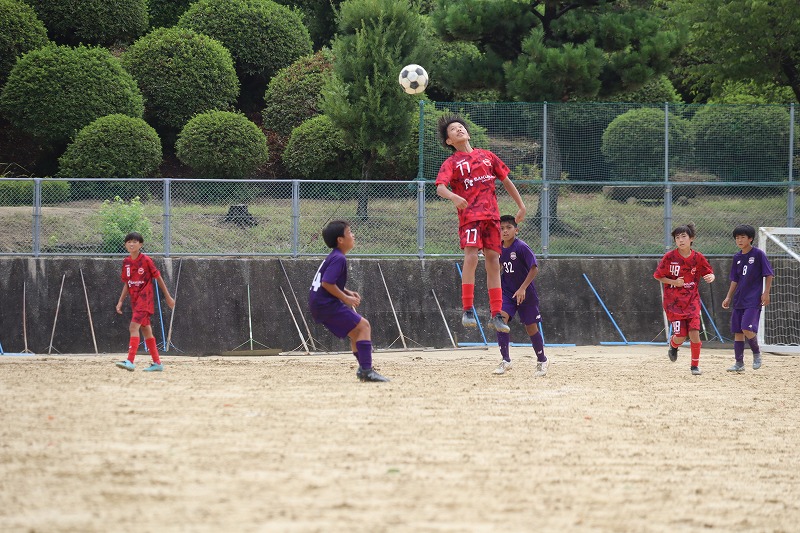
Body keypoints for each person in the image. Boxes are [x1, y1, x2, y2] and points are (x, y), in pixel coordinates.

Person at [435, 113, 526, 333]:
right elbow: (440, 187)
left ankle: (496, 314)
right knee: (472, 256)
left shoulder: (487, 156)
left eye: (461, 126)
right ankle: (467, 309)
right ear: (449, 141)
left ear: (468, 132)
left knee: (494, 261)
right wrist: (453, 196)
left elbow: (506, 181)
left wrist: (521, 205)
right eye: (453, 129)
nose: (459, 129)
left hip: (492, 218)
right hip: (470, 217)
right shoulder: (452, 162)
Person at [308, 220, 389, 382]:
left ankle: (364, 368)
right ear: (340, 240)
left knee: (356, 332)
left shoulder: (335, 256)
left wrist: (346, 291)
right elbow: (326, 283)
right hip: (325, 303)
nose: (353, 235)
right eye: (349, 232)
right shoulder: (339, 258)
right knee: (364, 326)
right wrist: (346, 298)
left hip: (318, 302)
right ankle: (366, 371)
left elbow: (328, 280)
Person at [654, 223, 715, 375]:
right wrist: (674, 282)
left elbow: (709, 272)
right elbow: (658, 276)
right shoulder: (669, 257)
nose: (680, 240)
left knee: (694, 333)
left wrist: (711, 277)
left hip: (692, 301)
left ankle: (694, 366)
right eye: (677, 237)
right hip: (673, 303)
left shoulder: (698, 257)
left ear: (691, 238)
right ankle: (674, 345)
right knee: (681, 336)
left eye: (683, 236)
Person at [493, 215, 548, 376]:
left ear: (516, 230)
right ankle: (506, 360)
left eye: (508, 228)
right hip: (507, 292)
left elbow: (534, 268)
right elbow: (497, 268)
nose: (505, 231)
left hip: (525, 293)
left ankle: (542, 360)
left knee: (530, 327)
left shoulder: (521, 247)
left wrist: (523, 288)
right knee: (500, 320)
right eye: (502, 228)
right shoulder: (499, 249)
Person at [115, 232, 175, 372]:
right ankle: (157, 363)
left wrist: (168, 296)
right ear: (125, 244)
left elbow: (158, 277)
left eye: (135, 242)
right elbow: (127, 283)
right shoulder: (126, 262)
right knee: (146, 330)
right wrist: (120, 301)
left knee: (133, 327)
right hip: (135, 301)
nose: (131, 244)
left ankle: (130, 361)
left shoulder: (146, 260)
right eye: (129, 242)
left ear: (140, 244)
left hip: (145, 300)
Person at [721, 224, 774, 372]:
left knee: (746, 328)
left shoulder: (758, 254)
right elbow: (735, 279)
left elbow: (769, 274)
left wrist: (766, 292)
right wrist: (728, 297)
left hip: (753, 299)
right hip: (739, 299)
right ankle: (739, 363)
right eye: (737, 238)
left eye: (742, 237)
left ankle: (756, 353)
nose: (739, 240)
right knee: (738, 331)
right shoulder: (737, 257)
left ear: (750, 238)